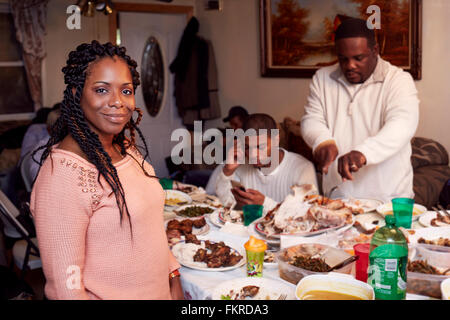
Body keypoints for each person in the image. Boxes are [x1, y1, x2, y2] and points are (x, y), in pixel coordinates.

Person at [30, 41, 183, 300]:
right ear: (77, 93)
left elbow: (150, 226)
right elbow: (65, 289)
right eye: (102, 90)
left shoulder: (126, 148)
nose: (117, 102)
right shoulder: (63, 176)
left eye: (126, 91)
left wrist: (172, 276)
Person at [301, 18, 419, 201]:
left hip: (389, 199)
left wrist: (364, 153)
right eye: (343, 59)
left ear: (375, 50)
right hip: (339, 196)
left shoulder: (398, 80)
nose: (350, 66)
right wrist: (322, 140)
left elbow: (402, 125)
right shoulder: (322, 78)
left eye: (358, 58)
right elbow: (311, 118)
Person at [216, 113, 318, 212]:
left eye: (260, 147)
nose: (252, 155)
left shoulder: (302, 168)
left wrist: (264, 204)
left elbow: (307, 213)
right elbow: (226, 203)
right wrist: (227, 171)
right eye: (247, 147)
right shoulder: (241, 164)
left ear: (276, 139)